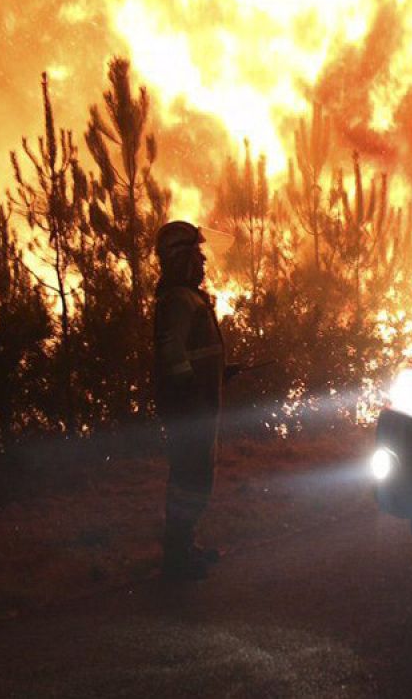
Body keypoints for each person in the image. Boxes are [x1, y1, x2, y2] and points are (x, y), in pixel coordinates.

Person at [152, 220, 227, 581]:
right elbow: (172, 353)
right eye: (196, 255)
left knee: (195, 479)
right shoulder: (180, 301)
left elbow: (193, 355)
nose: (202, 262)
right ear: (178, 259)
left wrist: (219, 373)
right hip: (192, 411)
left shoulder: (185, 298)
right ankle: (177, 558)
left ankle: (185, 547)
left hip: (197, 405)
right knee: (189, 481)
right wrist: (190, 395)